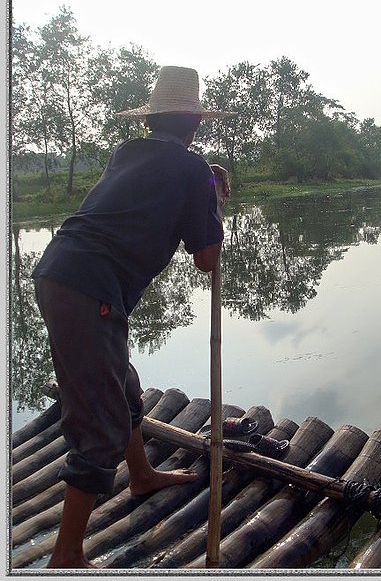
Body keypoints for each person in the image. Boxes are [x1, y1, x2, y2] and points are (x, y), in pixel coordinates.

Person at [31, 66, 236, 569]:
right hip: (89, 288)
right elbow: (207, 258)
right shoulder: (191, 169)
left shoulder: (129, 152)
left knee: (121, 387)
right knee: (99, 425)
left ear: (152, 120)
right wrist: (212, 196)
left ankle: (141, 474)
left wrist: (206, 184)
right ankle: (67, 554)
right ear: (195, 125)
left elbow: (157, 190)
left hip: (60, 271)